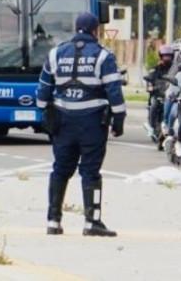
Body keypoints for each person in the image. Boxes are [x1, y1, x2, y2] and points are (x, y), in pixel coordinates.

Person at [37, 12, 125, 237]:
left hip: (63, 121)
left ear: (75, 28)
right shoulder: (103, 56)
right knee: (90, 172)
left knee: (60, 170)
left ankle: (53, 221)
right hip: (92, 123)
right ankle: (92, 222)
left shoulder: (56, 53)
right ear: (96, 31)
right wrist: (118, 120)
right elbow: (114, 91)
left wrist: (44, 114)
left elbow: (43, 89)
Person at [143, 45, 176, 137]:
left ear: (172, 56)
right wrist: (151, 86)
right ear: (161, 56)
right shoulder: (156, 68)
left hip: (171, 94)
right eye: (165, 56)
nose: (167, 58)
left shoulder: (175, 69)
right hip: (158, 94)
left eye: (169, 56)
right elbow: (150, 77)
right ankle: (151, 127)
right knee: (154, 105)